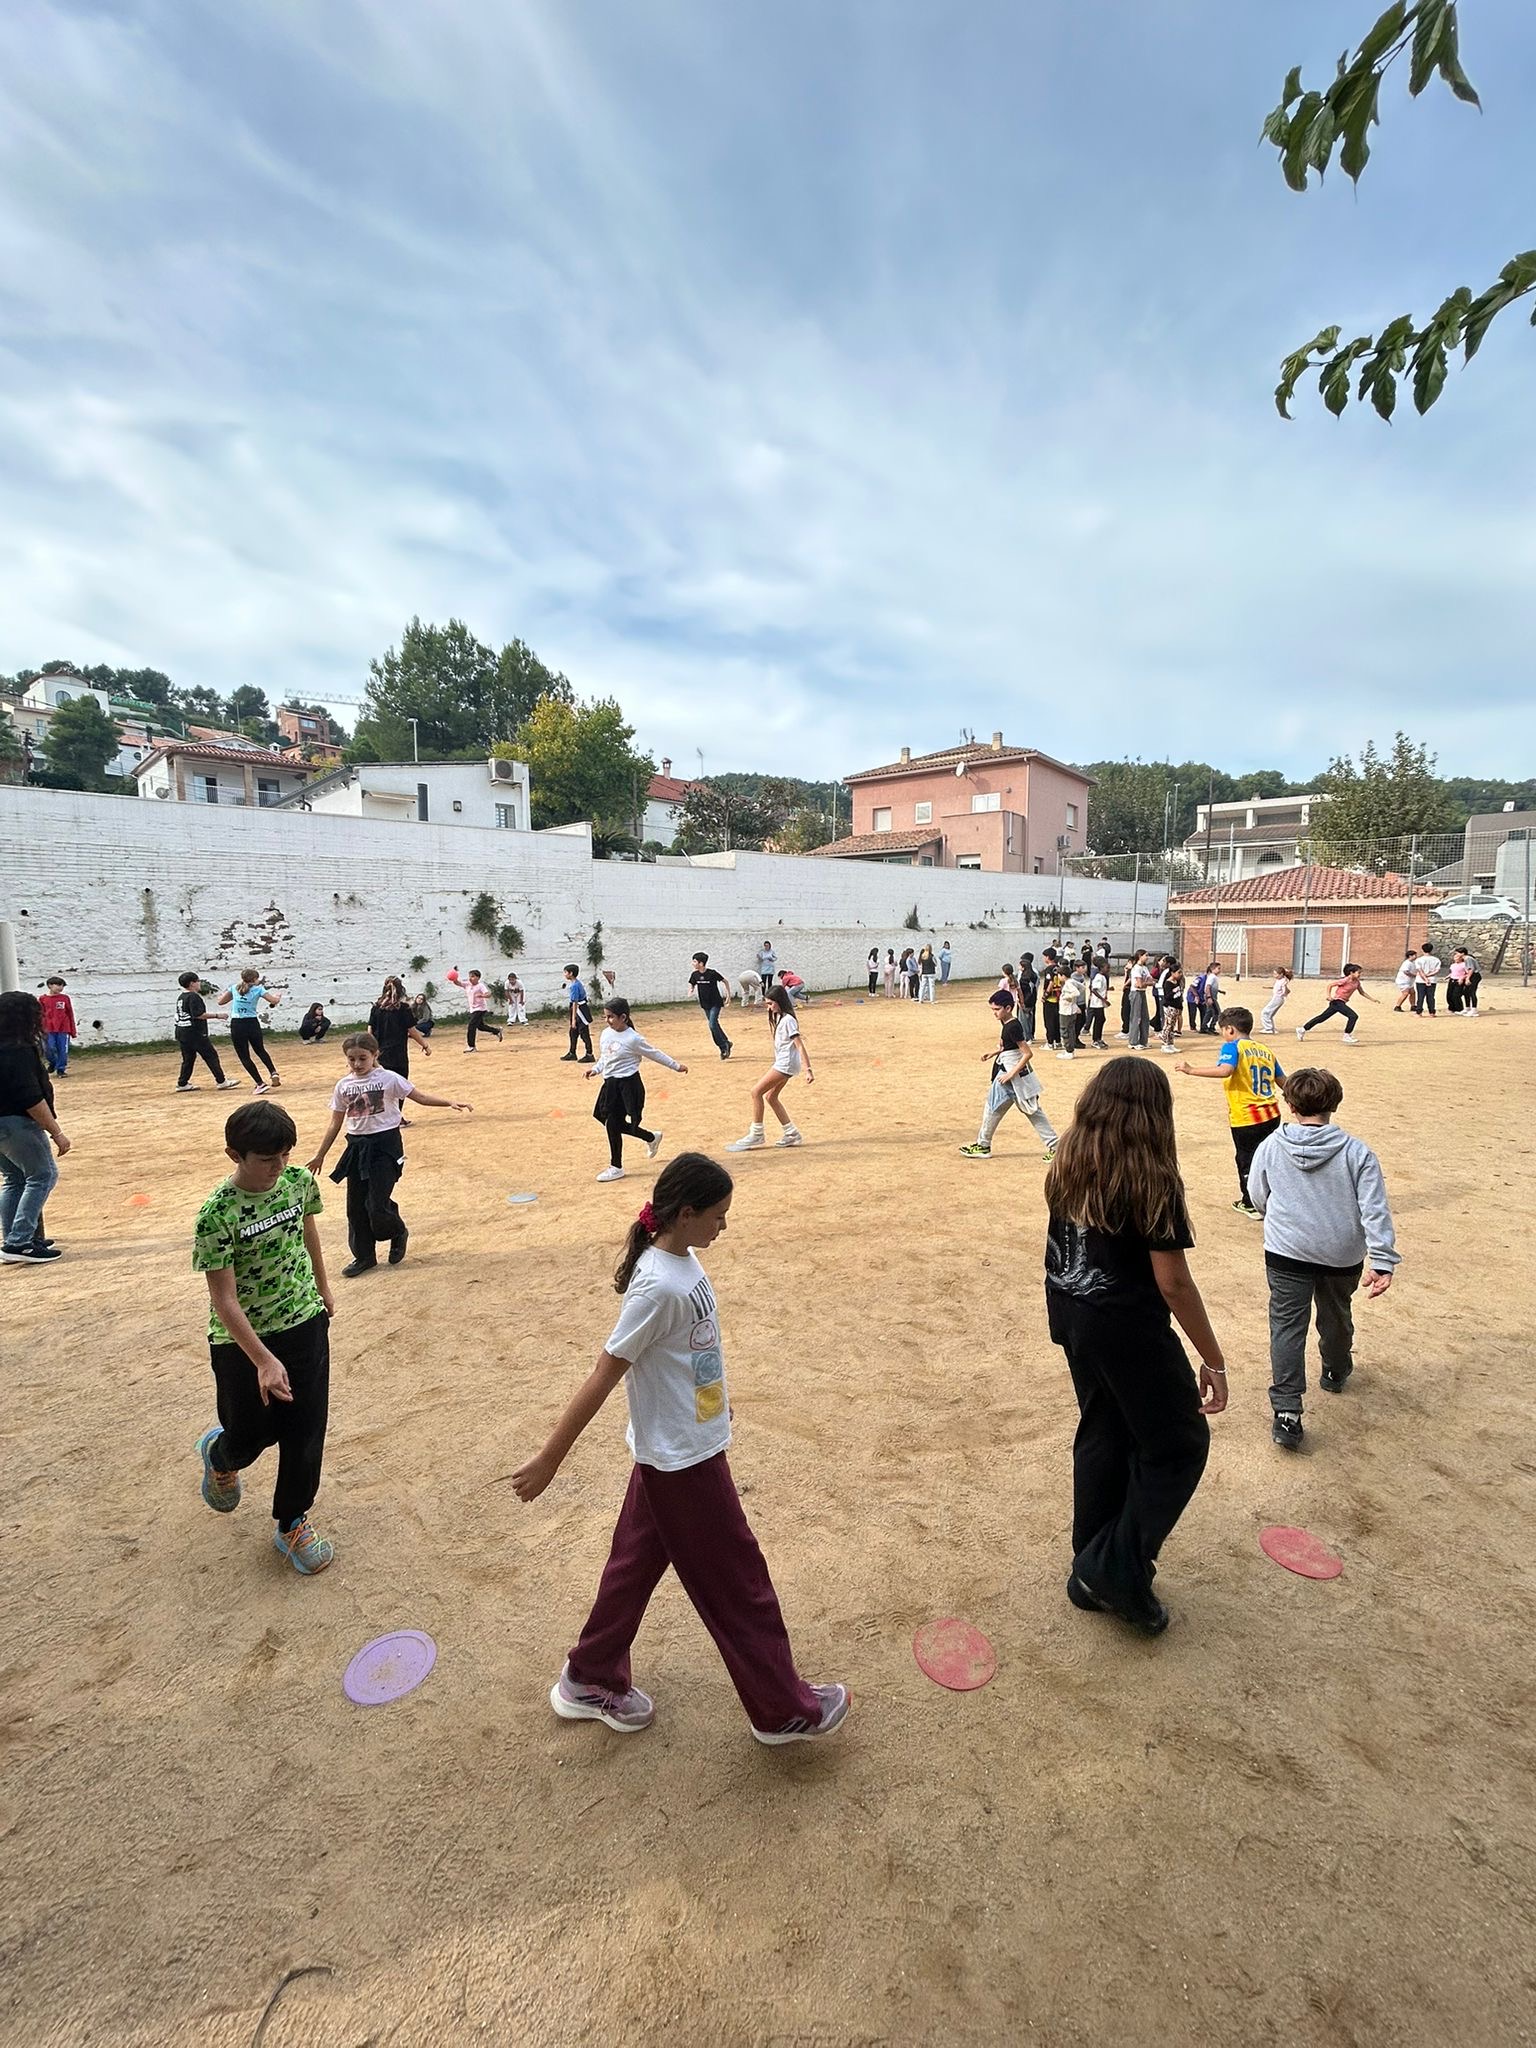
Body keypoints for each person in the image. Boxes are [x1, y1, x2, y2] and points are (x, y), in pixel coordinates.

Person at [510, 1152, 849, 1745]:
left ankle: (588, 1675)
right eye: (718, 1215)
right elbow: (604, 1372)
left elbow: (693, 1352)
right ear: (685, 1213)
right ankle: (781, 1710)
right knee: (740, 1586)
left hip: (679, 1447)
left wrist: (714, 1405)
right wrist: (549, 1460)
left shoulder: (681, 1260)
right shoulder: (657, 1286)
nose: (725, 1225)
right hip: (682, 1465)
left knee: (632, 1568)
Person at [1043, 1057, 1227, 1635]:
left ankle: (1092, 1562)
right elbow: (1173, 1283)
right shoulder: (1151, 1178)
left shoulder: (1070, 1154)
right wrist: (1214, 1359)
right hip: (1126, 1328)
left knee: (1106, 1431)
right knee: (1178, 1445)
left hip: (1073, 1313)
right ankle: (1111, 1571)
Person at [192, 1100, 336, 1574]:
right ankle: (222, 1456)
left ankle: (292, 1522)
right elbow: (224, 1299)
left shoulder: (298, 1183)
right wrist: (263, 1360)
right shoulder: (216, 1215)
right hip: (242, 1339)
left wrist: (322, 1286)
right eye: (267, 1158)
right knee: (251, 1435)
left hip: (303, 1320)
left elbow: (307, 1231)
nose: (279, 1166)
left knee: (306, 1428)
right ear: (235, 1155)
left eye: (285, 1155)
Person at [1248, 1067, 1399, 1451]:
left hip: (1286, 1251)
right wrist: (1382, 1259)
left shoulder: (1270, 1146)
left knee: (1286, 1326)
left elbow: (1258, 1194)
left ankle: (1287, 1410)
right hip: (1340, 1254)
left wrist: (1277, 1217)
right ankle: (1335, 1367)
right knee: (1336, 1314)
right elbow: (1374, 1209)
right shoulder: (1357, 1152)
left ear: (1290, 1104)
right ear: (1334, 1103)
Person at [306, 1032, 472, 1277]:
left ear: (375, 1055)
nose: (357, 1064)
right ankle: (364, 1256)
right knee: (355, 1207)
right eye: (351, 1059)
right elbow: (335, 1123)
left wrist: (449, 1102)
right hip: (357, 1148)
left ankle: (397, 1231)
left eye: (363, 1058)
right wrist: (320, 1154)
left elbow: (420, 1097)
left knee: (376, 1204)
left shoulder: (389, 1079)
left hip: (386, 1146)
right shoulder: (343, 1086)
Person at [1177, 1006, 1283, 1216]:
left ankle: (1250, 1203)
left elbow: (1225, 1070)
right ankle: (1272, 1197)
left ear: (1230, 1030)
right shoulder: (1265, 1050)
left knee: (1246, 1160)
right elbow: (1283, 1082)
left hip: (1247, 1117)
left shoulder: (1233, 1047)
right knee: (1267, 1157)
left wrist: (1191, 1070)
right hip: (1271, 1114)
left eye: (1223, 1030)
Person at [0, 990, 69, 1264]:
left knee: (15, 1179)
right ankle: (19, 1241)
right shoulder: (19, 1051)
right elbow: (30, 1097)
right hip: (17, 1123)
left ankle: (15, 1238)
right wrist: (56, 1132)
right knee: (42, 1176)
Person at [588, 997, 687, 1183]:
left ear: (623, 1017)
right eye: (605, 1016)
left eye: (611, 1017)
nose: (607, 1020)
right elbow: (605, 1057)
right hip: (610, 1085)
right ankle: (650, 1137)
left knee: (612, 1124)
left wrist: (676, 1066)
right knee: (601, 1117)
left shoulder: (633, 1039)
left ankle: (616, 1167)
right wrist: (595, 1069)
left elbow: (655, 1053)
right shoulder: (605, 1034)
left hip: (628, 1086)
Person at [959, 991, 1057, 1160]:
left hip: (1010, 1076)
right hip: (1008, 1074)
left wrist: (1011, 1074)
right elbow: (1008, 1047)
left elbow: (1027, 1053)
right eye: (993, 1009)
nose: (994, 1013)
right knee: (997, 1108)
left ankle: (1056, 1147)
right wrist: (994, 1053)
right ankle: (983, 1144)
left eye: (997, 1009)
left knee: (1015, 1110)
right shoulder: (1007, 1023)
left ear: (1008, 1008)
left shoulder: (1012, 1026)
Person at [727, 985, 813, 1151]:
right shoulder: (780, 1017)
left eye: (771, 1003)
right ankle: (791, 1133)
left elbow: (799, 1045)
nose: (769, 1007)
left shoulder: (788, 1020)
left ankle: (757, 1133)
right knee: (771, 1097)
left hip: (785, 1064)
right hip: (784, 1063)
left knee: (756, 1092)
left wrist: (808, 1069)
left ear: (780, 1001)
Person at [217, 968, 282, 1092]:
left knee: (244, 1056)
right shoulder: (259, 989)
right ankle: (273, 1072)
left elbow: (221, 1002)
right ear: (254, 979)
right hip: (252, 1023)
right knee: (260, 1050)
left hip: (237, 1024)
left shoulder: (234, 988)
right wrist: (278, 997)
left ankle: (260, 1083)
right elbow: (273, 1001)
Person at [174, 971, 239, 1093]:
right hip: (195, 1033)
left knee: (188, 1058)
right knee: (211, 1056)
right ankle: (221, 1081)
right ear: (192, 983)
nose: (199, 983)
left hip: (182, 1031)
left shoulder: (182, 997)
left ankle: (182, 1083)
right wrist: (217, 1015)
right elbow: (198, 1014)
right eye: (198, 981)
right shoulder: (193, 997)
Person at [1296, 963, 1377, 1046]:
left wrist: (1373, 999)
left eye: (1360, 973)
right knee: (1353, 1016)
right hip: (1337, 1001)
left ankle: (1302, 1029)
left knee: (1321, 1018)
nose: (1360, 974)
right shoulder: (1345, 980)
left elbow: (1362, 992)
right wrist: (1329, 996)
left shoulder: (1357, 982)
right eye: (1358, 972)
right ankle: (1347, 1035)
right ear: (1351, 973)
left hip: (1340, 1003)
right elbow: (1330, 985)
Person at [369, 976, 430, 1079]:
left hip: (379, 1054)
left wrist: (370, 1049)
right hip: (398, 1056)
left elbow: (370, 1030)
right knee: (400, 1083)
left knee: (381, 1083)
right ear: (400, 990)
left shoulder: (376, 1008)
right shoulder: (403, 1009)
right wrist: (425, 1045)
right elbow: (412, 1031)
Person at [446, 967, 504, 1053]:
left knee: (471, 1026)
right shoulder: (467, 984)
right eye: (470, 976)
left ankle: (471, 1046)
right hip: (473, 1009)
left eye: (473, 976)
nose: (470, 978)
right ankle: (497, 1031)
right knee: (480, 1026)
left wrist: (482, 996)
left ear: (478, 977)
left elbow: (488, 994)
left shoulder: (480, 986)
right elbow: (457, 982)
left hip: (480, 1009)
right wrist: (454, 976)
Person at [688, 953, 733, 1060]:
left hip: (715, 1003)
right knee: (714, 1025)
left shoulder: (712, 973)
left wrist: (728, 996)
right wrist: (691, 989)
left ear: (701, 963)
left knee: (712, 1024)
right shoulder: (695, 975)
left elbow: (725, 981)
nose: (693, 963)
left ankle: (723, 1046)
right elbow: (692, 983)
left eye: (694, 961)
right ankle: (726, 1043)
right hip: (705, 1004)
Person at [38, 976, 76, 1077]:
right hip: (48, 1028)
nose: (60, 988)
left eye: (62, 986)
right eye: (58, 985)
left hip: (63, 1028)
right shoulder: (42, 999)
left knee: (63, 1050)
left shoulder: (65, 998)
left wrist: (72, 1030)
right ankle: (53, 1062)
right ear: (50, 985)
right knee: (48, 1048)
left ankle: (61, 1069)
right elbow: (40, 1014)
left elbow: (69, 1013)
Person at [559, 965, 596, 1062]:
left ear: (571, 973)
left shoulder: (574, 986)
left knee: (584, 1033)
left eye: (566, 972)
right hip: (579, 1008)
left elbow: (575, 1002)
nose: (564, 974)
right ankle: (572, 1052)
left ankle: (589, 1054)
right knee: (573, 1032)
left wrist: (574, 1019)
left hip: (580, 1010)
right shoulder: (576, 983)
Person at [1126, 950, 1152, 1051]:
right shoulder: (1136, 968)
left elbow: (1149, 980)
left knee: (1145, 1017)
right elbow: (1139, 984)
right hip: (1136, 993)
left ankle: (1143, 1041)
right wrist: (1147, 983)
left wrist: (1146, 983)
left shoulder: (1144, 968)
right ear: (1140, 956)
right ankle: (1133, 1041)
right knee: (1136, 1017)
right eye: (1146, 955)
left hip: (1142, 992)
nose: (1147, 957)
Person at [1057, 963, 1084, 1059]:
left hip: (1066, 1011)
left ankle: (1069, 1050)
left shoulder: (1068, 984)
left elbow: (1076, 992)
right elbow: (1082, 988)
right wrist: (1073, 1001)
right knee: (1071, 1030)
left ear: (1063, 976)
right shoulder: (1072, 981)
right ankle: (1069, 1049)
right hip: (1071, 1009)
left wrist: (1067, 997)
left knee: (1065, 1030)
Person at [1040, 951, 1065, 1050]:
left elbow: (1050, 983)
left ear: (1048, 957)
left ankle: (1050, 1042)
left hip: (1050, 999)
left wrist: (1045, 996)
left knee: (1049, 1021)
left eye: (1044, 957)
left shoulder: (1049, 969)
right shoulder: (1058, 968)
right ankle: (1058, 1041)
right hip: (1058, 998)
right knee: (1056, 1021)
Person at [1158, 961, 1185, 1052]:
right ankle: (1165, 1044)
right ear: (1172, 973)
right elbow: (1168, 996)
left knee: (1172, 1027)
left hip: (1176, 1007)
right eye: (1178, 972)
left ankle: (1170, 1044)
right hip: (1170, 1007)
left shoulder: (1177, 982)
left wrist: (1180, 1007)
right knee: (1168, 1026)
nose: (1180, 974)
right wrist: (1174, 992)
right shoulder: (1168, 983)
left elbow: (1179, 996)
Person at [1412, 940, 1442, 1015]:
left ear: (1422, 950)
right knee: (1431, 997)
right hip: (1432, 980)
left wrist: (1425, 978)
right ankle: (1432, 1012)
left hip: (1420, 980)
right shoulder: (1436, 960)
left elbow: (1420, 970)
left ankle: (1419, 1012)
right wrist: (1428, 976)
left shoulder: (1419, 960)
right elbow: (1437, 970)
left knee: (1420, 996)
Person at [1259, 966, 1291, 1034]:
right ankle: (1272, 1028)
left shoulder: (1283, 982)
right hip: (1278, 998)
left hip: (1278, 998)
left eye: (1276, 974)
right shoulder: (1281, 980)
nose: (1274, 975)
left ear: (1281, 974)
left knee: (1265, 1012)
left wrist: (1284, 989)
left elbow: (1285, 991)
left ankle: (1268, 1028)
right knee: (1270, 1014)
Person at [1085, 958, 1109, 1048]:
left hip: (1099, 1003)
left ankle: (1098, 1038)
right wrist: (1103, 999)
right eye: (1107, 968)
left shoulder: (1102, 977)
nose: (1108, 970)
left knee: (1101, 1019)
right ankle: (1095, 1040)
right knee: (1099, 1020)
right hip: (1096, 1003)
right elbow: (1094, 990)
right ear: (1101, 968)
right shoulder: (1098, 977)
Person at [1018, 953, 1038, 1043]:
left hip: (1025, 1000)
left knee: (1023, 1020)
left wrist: (1021, 1001)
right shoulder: (1034, 975)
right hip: (1032, 1000)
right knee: (1030, 1018)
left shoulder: (1024, 978)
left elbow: (1022, 991)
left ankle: (1027, 1037)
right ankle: (1030, 1035)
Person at [1391, 949, 1419, 1013]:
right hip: (1403, 981)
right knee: (1405, 993)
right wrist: (1414, 975)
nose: (1416, 956)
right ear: (1410, 956)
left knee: (1412, 992)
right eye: (1414, 955)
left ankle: (1413, 1006)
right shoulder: (1407, 963)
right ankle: (1397, 1006)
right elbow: (1406, 972)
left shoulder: (1413, 963)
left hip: (1409, 981)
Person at [1199, 960, 1223, 1034]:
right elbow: (1208, 987)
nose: (1220, 970)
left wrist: (1219, 991)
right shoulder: (1212, 977)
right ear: (1213, 969)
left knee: (1210, 1012)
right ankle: (1210, 1027)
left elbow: (1212, 987)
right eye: (1218, 968)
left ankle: (1205, 1027)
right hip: (1211, 997)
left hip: (1212, 997)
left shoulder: (1213, 977)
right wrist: (1209, 997)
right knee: (1216, 1012)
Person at [1446, 948, 1471, 1015]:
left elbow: (1467, 973)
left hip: (1459, 981)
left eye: (1457, 957)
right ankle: (1451, 1008)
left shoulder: (1464, 964)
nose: (1455, 958)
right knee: (1449, 995)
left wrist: (1462, 978)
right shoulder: (1453, 965)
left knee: (1456, 995)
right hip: (1452, 980)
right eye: (1455, 957)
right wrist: (1449, 976)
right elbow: (1453, 972)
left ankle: (1459, 1008)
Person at [1185, 967, 1204, 1036]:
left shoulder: (1211, 979)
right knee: (1193, 1012)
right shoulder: (1201, 978)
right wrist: (1196, 996)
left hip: (1201, 997)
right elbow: (1192, 986)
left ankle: (1203, 1026)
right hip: (1192, 997)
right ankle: (1192, 1026)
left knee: (1204, 1011)